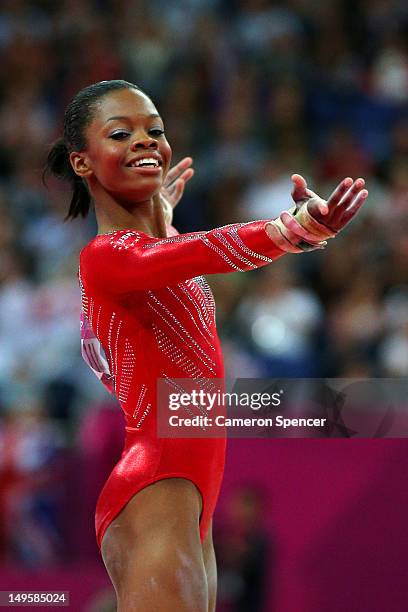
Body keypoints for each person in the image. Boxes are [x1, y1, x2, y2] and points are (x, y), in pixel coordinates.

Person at [44, 79, 368, 612]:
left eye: (155, 130)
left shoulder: (148, 257)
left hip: (191, 493)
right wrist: (293, 230)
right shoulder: (104, 257)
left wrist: (160, 222)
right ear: (82, 163)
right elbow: (199, 253)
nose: (146, 141)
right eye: (121, 133)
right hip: (157, 482)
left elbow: (168, 270)